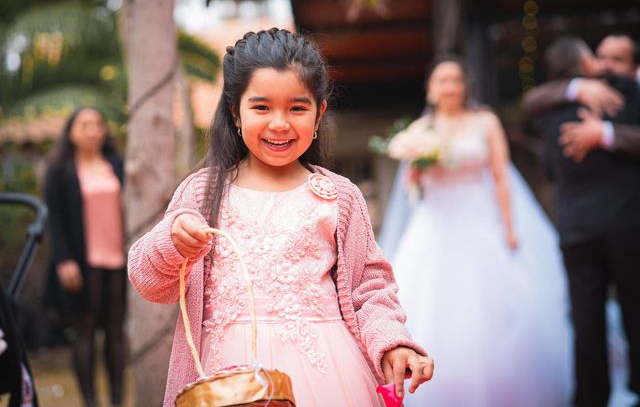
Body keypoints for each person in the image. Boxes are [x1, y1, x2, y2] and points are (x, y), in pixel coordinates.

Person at [128, 28, 434, 407]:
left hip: (328, 376)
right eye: (261, 107)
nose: (279, 123)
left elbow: (370, 291)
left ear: (319, 113)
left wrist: (392, 343)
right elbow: (149, 282)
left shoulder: (340, 197)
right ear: (234, 112)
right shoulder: (201, 193)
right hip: (226, 378)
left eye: (296, 107)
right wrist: (172, 243)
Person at [387, 57, 573, 407]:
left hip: (479, 220)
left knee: (494, 305)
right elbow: (413, 190)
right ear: (430, 87)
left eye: (456, 79)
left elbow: (501, 176)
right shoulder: (419, 131)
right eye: (442, 80)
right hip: (436, 226)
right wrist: (416, 171)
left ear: (464, 85)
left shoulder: (485, 121)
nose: (450, 86)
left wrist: (509, 226)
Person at [530, 37, 640, 407]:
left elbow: (548, 167)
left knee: (586, 325)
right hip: (626, 223)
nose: (604, 65)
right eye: (597, 58)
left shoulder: (548, 111)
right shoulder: (621, 91)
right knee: (635, 313)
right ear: (585, 64)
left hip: (576, 227)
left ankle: (590, 400)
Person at [44, 107, 126, 407]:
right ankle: (90, 402)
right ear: (71, 132)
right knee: (85, 331)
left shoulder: (115, 164)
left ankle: (118, 400)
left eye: (98, 124)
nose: (93, 130)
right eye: (85, 125)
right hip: (81, 262)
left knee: (116, 333)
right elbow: (55, 221)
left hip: (117, 260)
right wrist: (64, 260)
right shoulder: (60, 170)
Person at [523, 34, 640, 162]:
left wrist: (605, 133)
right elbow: (531, 99)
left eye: (617, 59)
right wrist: (575, 87)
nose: (606, 65)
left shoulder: (631, 91)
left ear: (635, 67)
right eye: (601, 58)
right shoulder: (587, 89)